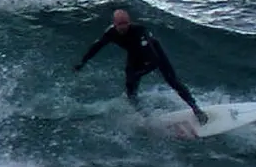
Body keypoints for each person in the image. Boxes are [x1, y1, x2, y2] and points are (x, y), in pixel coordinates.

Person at [74, 9, 208, 124]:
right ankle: (141, 116)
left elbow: (154, 60)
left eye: (126, 23)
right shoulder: (110, 33)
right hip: (135, 55)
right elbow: (96, 47)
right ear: (114, 24)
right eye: (120, 24)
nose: (123, 26)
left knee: (172, 81)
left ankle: (196, 109)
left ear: (129, 22)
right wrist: (83, 62)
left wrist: (140, 73)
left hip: (154, 53)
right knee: (130, 87)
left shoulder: (139, 31)